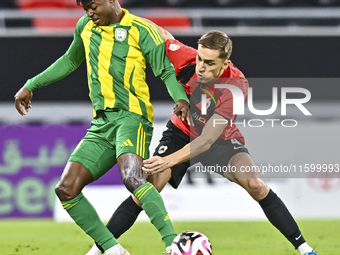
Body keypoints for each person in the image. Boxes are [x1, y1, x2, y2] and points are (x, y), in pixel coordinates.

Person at [86, 22, 319, 255]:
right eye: (199, 59)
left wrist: (168, 161)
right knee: (148, 187)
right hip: (181, 132)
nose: (200, 67)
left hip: (219, 139)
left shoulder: (235, 86)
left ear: (225, 64)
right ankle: (98, 251)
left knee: (256, 185)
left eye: (209, 63)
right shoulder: (186, 59)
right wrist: (123, 16)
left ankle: (305, 249)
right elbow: (162, 35)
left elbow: (207, 140)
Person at [14, 1, 192, 255]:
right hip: (101, 124)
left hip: (133, 118)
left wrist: (181, 99)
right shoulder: (85, 26)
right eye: (85, 7)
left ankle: (173, 244)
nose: (89, 13)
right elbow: (69, 61)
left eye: (93, 6)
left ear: (111, 0)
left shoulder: (142, 29)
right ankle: (112, 249)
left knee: (133, 177)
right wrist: (31, 84)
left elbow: (164, 71)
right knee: (66, 189)